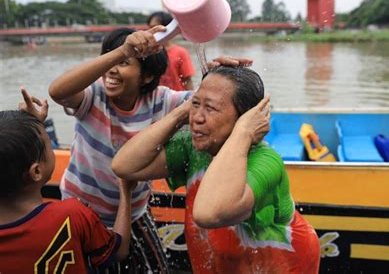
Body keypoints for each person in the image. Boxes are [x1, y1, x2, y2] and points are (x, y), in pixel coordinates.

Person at [112, 66, 321, 273]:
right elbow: (124, 165)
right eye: (195, 105)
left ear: (244, 117)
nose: (197, 118)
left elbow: (207, 214)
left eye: (210, 108)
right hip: (226, 259)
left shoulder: (265, 161)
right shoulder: (194, 147)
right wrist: (182, 113)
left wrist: (243, 133)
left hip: (283, 263)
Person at [48, 26, 186, 273]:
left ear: (146, 76)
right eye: (109, 57)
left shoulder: (161, 100)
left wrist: (221, 74)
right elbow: (59, 91)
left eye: (124, 62)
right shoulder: (93, 96)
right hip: (83, 213)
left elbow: (205, 102)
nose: (111, 70)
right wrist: (123, 51)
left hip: (134, 211)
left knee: (156, 268)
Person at [0, 89, 133, 273]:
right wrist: (125, 192)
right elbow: (117, 252)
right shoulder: (72, 215)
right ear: (36, 171)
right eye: (48, 143)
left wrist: (31, 126)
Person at [148, 11, 196, 90]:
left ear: (167, 28)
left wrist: (190, 99)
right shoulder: (147, 52)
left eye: (155, 27)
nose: (151, 31)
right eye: (150, 27)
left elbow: (187, 79)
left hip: (177, 99)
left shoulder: (180, 52)